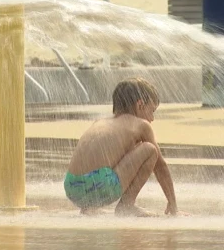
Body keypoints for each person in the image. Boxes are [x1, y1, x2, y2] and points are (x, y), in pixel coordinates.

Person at [64, 77, 178, 217]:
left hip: (71, 187)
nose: (152, 119)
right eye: (152, 111)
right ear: (140, 105)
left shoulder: (100, 123)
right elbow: (160, 166)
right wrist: (173, 204)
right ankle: (126, 206)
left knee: (125, 150)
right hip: (100, 186)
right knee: (149, 150)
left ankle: (88, 208)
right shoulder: (141, 125)